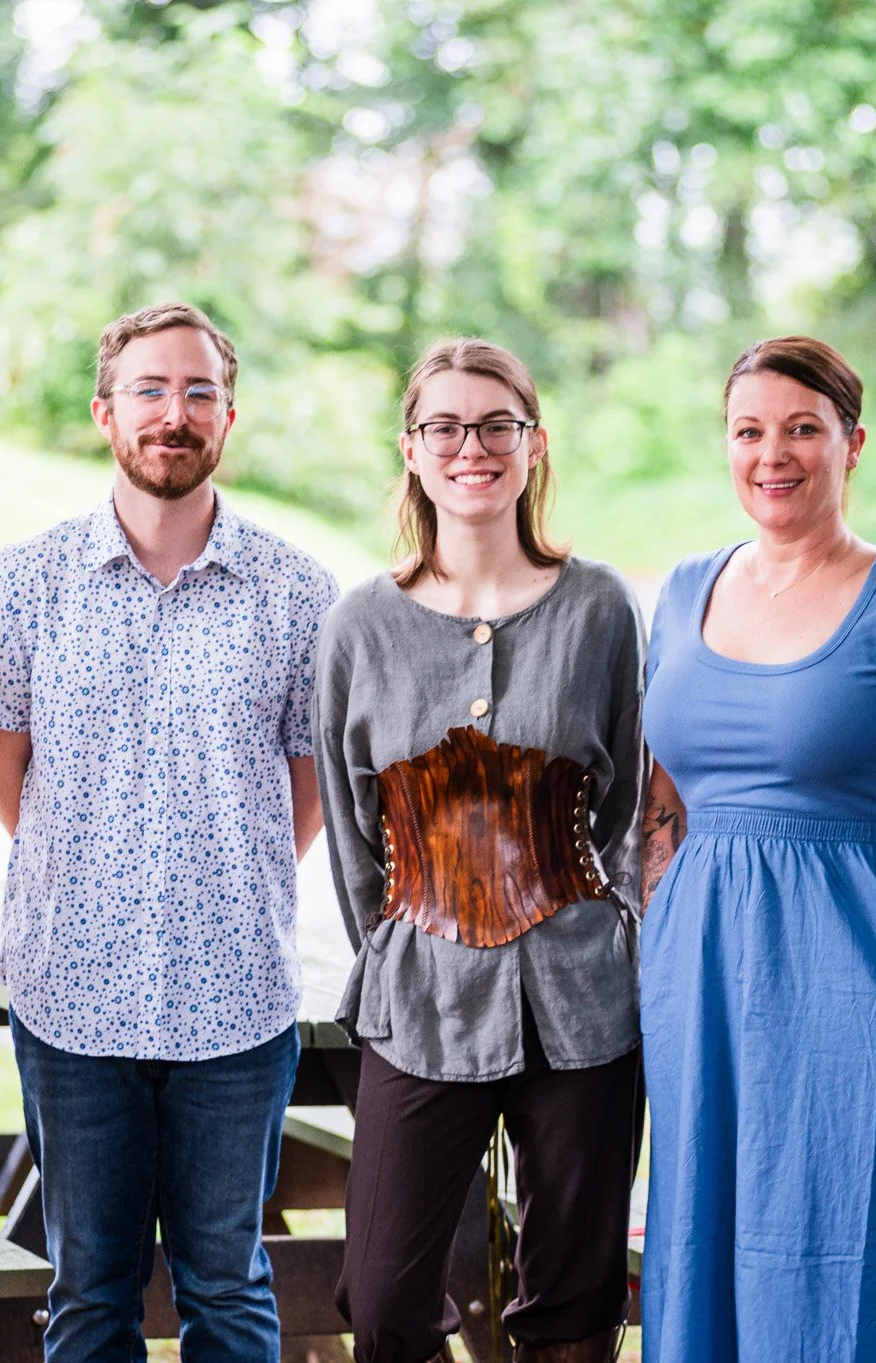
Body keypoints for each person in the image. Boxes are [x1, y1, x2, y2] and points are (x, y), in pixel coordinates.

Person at [0, 301, 338, 1361]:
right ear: (103, 412)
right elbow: (4, 770)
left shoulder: (297, 593)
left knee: (228, 1283)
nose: (173, 413)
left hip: (235, 1002)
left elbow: (301, 791)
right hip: (69, 993)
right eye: (149, 390)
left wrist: (222, 877)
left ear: (228, 415)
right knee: (88, 1291)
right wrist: (84, 870)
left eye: (197, 391)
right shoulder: (26, 583)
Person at [636, 337, 876, 1360]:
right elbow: (660, 796)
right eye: (748, 430)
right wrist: (660, 933)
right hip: (702, 974)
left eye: (802, 428)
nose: (772, 454)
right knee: (712, 1219)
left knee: (874, 1224)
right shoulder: (679, 593)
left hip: (864, 971)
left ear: (851, 442)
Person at [314, 338, 645, 1363]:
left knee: (576, 1293)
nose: (472, 447)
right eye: (445, 427)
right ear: (410, 450)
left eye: (495, 425)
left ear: (532, 444)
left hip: (580, 1001)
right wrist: (395, 945)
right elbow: (349, 828)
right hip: (418, 993)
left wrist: (612, 931)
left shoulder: (598, 608)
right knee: (381, 1297)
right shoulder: (358, 624)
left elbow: (626, 806)